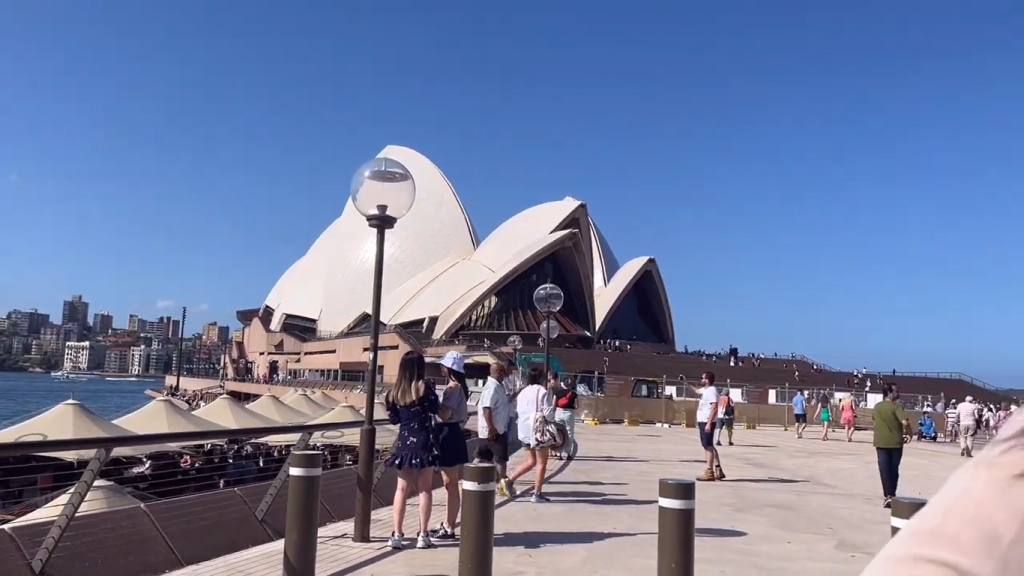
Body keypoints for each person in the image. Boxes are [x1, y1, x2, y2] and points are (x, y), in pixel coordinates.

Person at [383, 351, 438, 550]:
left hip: (405, 442)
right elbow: (434, 408)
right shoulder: (425, 388)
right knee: (425, 489)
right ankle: (423, 535)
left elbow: (394, 419)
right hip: (424, 442)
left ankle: (397, 534)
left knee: (401, 489)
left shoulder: (394, 393)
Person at [429, 351, 470, 541]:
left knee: (451, 483)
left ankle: (450, 527)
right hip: (453, 433)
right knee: (450, 483)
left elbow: (445, 414)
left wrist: (432, 401)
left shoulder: (453, 388)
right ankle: (448, 523)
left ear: (449, 368)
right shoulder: (459, 387)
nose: (441, 368)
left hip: (448, 433)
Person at [503, 367, 555, 502]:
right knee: (541, 463)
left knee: (531, 460)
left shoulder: (523, 392)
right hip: (538, 431)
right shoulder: (543, 391)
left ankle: (509, 480)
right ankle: (537, 494)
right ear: (542, 378)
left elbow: (517, 410)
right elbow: (549, 414)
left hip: (524, 430)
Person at [478, 362, 513, 494]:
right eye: (504, 372)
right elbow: (487, 407)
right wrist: (491, 427)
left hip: (498, 428)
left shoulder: (499, 386)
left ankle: (478, 480)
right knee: (501, 459)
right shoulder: (492, 387)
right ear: (498, 372)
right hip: (495, 430)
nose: (505, 375)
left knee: (483, 456)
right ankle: (501, 486)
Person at [872, 382, 907, 508]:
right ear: (889, 393)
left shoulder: (877, 407)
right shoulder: (897, 407)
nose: (898, 393)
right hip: (896, 443)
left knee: (884, 470)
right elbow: (904, 422)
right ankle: (891, 494)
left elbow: (874, 419)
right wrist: (909, 433)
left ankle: (888, 496)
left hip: (880, 442)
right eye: (896, 391)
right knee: (893, 470)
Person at [691, 371, 725, 481]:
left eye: (702, 378)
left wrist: (709, 423)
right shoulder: (707, 391)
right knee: (708, 445)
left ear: (707, 380)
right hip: (704, 421)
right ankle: (718, 470)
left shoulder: (711, 391)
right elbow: (696, 390)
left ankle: (709, 471)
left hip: (706, 421)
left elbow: (714, 407)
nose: (701, 380)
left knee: (707, 446)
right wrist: (685, 382)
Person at [551, 372, 578, 460]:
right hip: (569, 413)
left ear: (562, 383)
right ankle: (568, 453)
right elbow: (577, 406)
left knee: (559, 433)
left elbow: (553, 404)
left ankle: (559, 453)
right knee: (569, 432)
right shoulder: (574, 394)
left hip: (559, 412)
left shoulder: (557, 392)